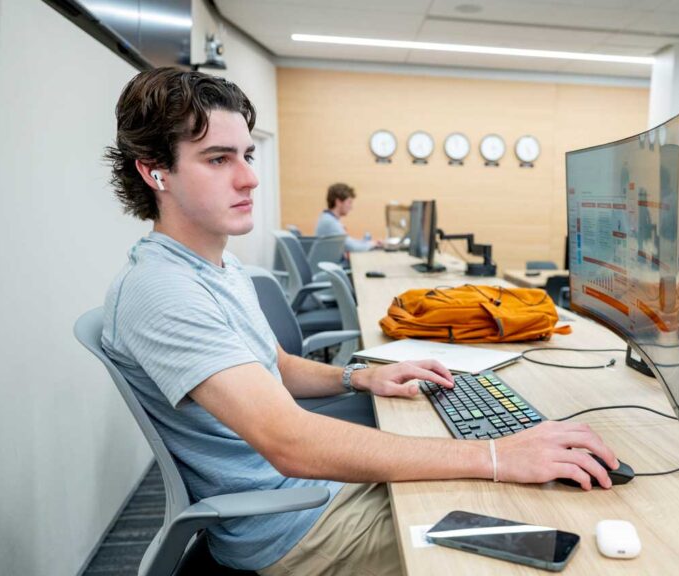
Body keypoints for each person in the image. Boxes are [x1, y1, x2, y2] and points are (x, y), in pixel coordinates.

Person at [101, 67, 617, 576]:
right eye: (218, 159)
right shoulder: (163, 290)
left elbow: (273, 365)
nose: (249, 177)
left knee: (534, 499)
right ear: (155, 172)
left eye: (247, 155)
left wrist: (359, 376)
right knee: (548, 534)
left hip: (321, 492)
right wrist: (495, 454)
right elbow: (290, 444)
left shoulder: (216, 265)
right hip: (298, 528)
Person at [315, 182, 381, 251]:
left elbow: (349, 242)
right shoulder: (330, 222)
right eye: (349, 202)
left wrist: (368, 243)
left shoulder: (328, 218)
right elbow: (353, 247)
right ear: (338, 202)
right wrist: (373, 244)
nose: (351, 207)